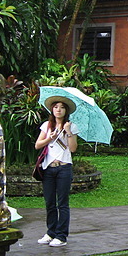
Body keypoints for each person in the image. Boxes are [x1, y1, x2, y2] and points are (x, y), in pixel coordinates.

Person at [35, 96, 79, 247]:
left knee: (62, 203)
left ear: (66, 110)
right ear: (52, 110)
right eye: (55, 107)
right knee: (49, 202)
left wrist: (68, 132)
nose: (58, 110)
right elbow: (37, 145)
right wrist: (49, 138)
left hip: (64, 168)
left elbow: (73, 149)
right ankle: (50, 232)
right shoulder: (47, 126)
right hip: (49, 168)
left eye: (61, 107)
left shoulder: (71, 126)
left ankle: (61, 236)